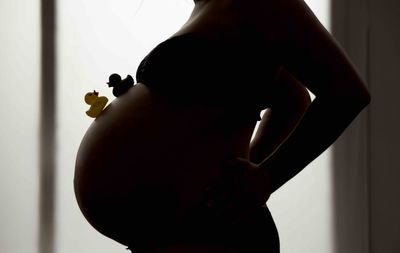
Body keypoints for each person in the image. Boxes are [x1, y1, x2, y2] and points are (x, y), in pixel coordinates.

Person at [74, 0, 371, 252]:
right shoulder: (212, 12)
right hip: (180, 234)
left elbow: (346, 93)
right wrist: (247, 164)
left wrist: (266, 177)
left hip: (216, 234)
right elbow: (291, 99)